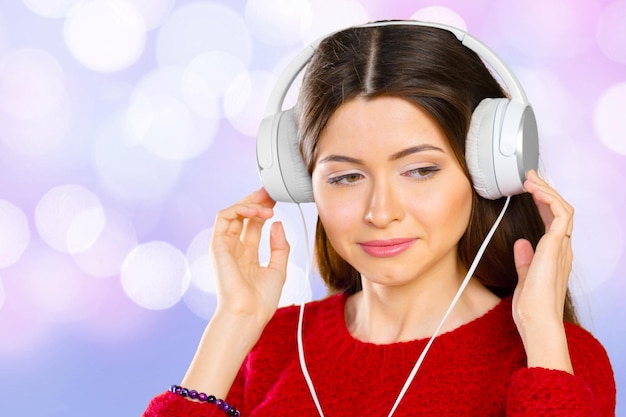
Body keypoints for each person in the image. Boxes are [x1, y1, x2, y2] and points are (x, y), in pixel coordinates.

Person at [143, 21, 615, 416]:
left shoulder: (554, 358)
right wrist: (234, 321)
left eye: (420, 170)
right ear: (301, 181)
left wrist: (543, 339)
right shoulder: (272, 347)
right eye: (346, 177)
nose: (381, 212)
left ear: (487, 172)